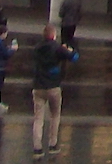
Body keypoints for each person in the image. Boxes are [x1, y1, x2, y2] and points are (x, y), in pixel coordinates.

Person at [31, 24, 79, 157]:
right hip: (53, 86)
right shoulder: (58, 48)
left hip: (38, 86)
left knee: (38, 118)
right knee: (55, 115)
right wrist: (68, 49)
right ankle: (53, 144)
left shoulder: (37, 48)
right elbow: (75, 58)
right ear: (53, 35)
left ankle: (37, 148)